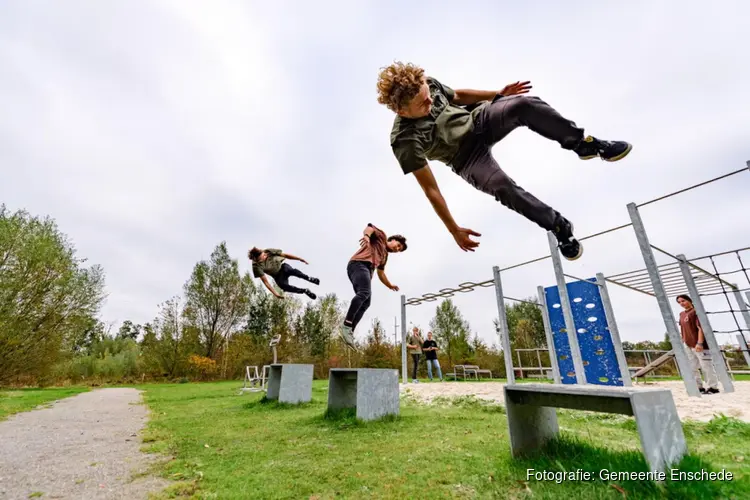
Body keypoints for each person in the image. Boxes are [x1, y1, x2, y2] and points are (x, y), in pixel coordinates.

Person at [376, 62, 633, 261]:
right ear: (401, 111)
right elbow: (431, 189)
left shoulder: (428, 85)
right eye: (423, 104)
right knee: (501, 186)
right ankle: (558, 225)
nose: (430, 102)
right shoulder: (404, 141)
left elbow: (457, 96)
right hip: (465, 158)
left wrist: (496, 94)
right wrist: (453, 229)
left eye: (428, 95)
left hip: (479, 121)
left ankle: (584, 144)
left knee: (521, 104)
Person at [339, 224, 407, 350]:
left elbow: (381, 274)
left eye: (399, 250)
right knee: (364, 293)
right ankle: (346, 325)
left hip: (364, 271)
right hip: (359, 264)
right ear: (392, 239)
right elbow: (369, 228)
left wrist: (389, 285)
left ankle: (349, 331)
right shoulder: (382, 237)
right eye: (398, 245)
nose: (397, 249)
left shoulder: (384, 257)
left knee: (366, 302)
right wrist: (366, 236)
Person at [676, 294, 719, 394]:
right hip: (687, 344)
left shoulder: (696, 311)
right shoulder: (681, 314)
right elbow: (683, 329)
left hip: (699, 344)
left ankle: (713, 387)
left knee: (706, 366)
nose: (682, 303)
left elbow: (701, 328)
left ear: (689, 300)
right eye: (679, 302)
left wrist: (699, 343)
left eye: (683, 301)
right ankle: (698, 387)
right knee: (692, 367)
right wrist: (683, 341)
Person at [248, 247, 319, 300]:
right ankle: (305, 291)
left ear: (262, 252)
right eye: (261, 259)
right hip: (277, 276)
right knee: (283, 286)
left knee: (291, 271)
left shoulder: (268, 251)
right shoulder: (256, 267)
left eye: (264, 256)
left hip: (283, 267)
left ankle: (309, 278)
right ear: (256, 260)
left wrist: (299, 259)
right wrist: (275, 293)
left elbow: (285, 255)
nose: (264, 258)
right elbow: (266, 282)